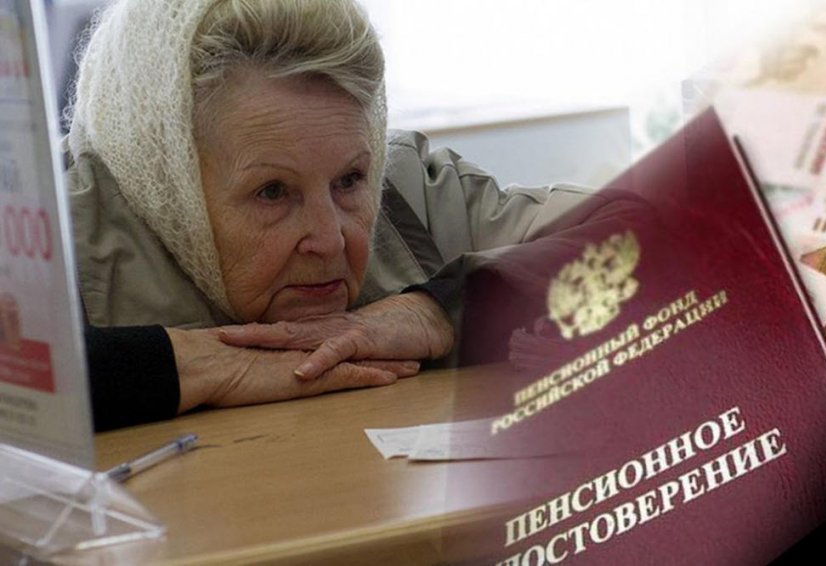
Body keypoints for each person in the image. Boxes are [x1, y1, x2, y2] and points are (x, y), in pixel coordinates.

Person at [66, 0, 595, 428]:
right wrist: (195, 365)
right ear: (166, 181)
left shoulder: (406, 189)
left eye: (348, 181)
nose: (331, 241)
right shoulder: (70, 233)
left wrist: (439, 309)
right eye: (273, 192)